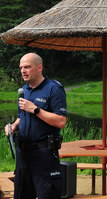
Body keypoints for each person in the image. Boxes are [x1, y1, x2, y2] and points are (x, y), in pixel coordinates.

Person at [4, 52, 67, 199]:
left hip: (44, 154)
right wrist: (13, 126)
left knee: (47, 195)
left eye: (27, 67)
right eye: (21, 68)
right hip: (23, 154)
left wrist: (36, 110)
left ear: (39, 67)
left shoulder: (54, 89)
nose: (23, 71)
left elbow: (61, 121)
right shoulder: (23, 90)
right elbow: (21, 117)